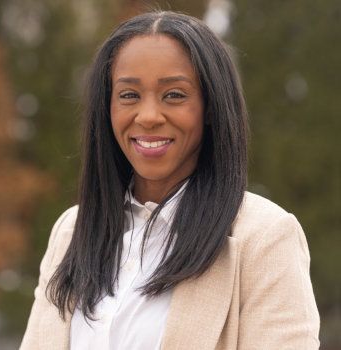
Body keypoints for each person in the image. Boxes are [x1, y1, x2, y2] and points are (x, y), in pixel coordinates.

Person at [20, 11, 320, 350]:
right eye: (129, 95)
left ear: (210, 107)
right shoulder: (70, 231)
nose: (148, 116)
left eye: (174, 95)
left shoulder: (266, 237)